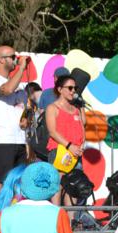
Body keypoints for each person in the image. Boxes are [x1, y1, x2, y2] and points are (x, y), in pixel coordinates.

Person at [0, 45, 31, 205]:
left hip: (20, 140)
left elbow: (24, 112)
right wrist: (21, 68)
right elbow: (8, 90)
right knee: (1, 181)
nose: (16, 59)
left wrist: (26, 119)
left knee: (19, 183)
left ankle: (14, 214)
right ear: (1, 60)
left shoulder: (20, 86)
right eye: (12, 57)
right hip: (2, 140)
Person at [44, 74, 86, 206]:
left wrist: (81, 105)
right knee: (58, 185)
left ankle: (70, 217)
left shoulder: (76, 109)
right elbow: (52, 132)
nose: (73, 91)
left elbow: (83, 125)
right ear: (60, 89)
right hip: (60, 151)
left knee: (74, 186)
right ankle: (56, 215)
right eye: (70, 88)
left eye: (75, 88)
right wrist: (69, 146)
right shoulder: (52, 108)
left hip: (76, 153)